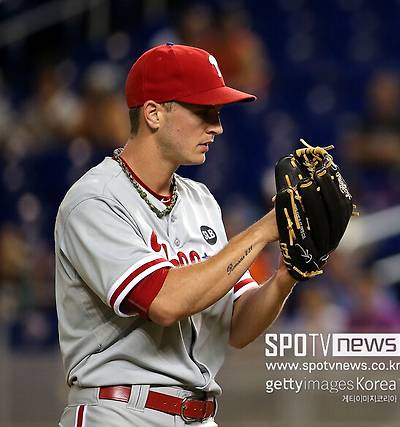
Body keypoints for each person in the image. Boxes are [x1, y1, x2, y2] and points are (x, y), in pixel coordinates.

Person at [55, 43, 297, 426]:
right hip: (119, 410)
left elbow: (236, 324)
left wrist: (287, 275)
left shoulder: (200, 201)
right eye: (203, 110)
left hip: (199, 416)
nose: (217, 125)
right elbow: (165, 301)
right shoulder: (95, 201)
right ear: (153, 113)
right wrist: (266, 229)